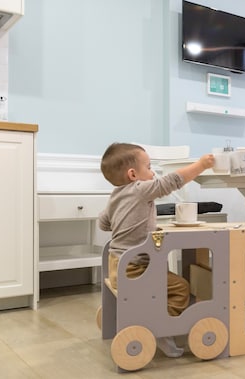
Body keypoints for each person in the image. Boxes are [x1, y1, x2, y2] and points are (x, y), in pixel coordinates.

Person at [98, 142, 214, 357]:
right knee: (181, 288)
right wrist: (201, 165)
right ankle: (158, 326)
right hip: (135, 268)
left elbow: (103, 224)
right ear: (133, 174)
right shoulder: (140, 189)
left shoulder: (115, 195)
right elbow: (172, 182)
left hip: (116, 264)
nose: (153, 173)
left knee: (167, 283)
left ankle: (149, 318)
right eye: (149, 167)